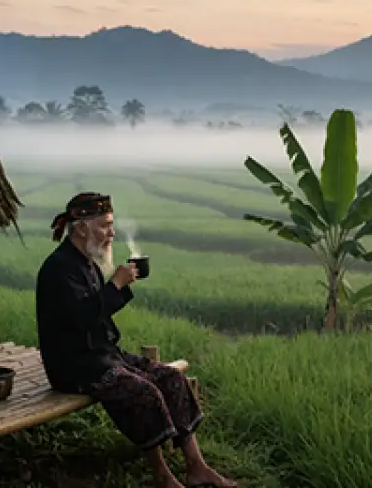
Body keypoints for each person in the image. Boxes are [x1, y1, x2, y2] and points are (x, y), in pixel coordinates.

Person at [35, 192, 237, 488]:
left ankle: (197, 467)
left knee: (170, 378)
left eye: (112, 224)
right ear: (80, 228)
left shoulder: (86, 261)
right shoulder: (58, 269)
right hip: (74, 367)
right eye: (104, 226)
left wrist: (118, 288)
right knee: (143, 392)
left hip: (102, 355)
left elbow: (96, 314)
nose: (111, 233)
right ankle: (162, 476)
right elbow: (80, 319)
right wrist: (115, 285)